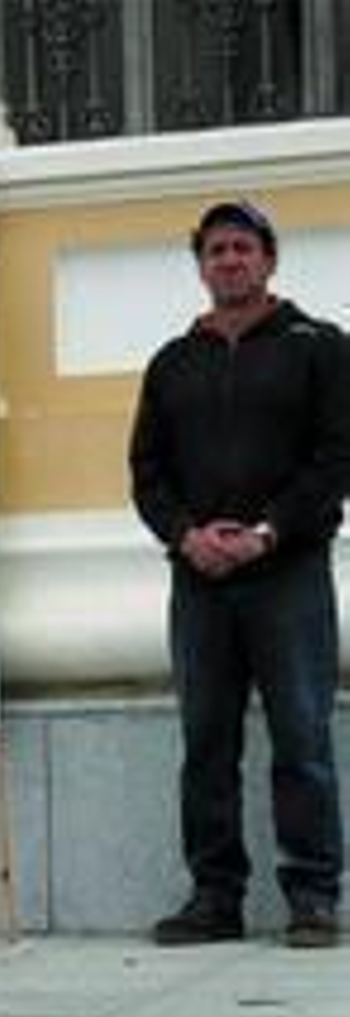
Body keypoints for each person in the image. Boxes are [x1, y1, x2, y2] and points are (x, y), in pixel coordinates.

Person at [130, 200, 350, 949]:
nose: (230, 260)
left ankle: (314, 896)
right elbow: (146, 473)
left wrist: (266, 533)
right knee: (206, 743)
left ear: (269, 260)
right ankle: (214, 897)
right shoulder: (171, 363)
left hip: (286, 575)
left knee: (302, 737)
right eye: (217, 250)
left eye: (243, 247)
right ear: (200, 265)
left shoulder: (317, 347)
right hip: (199, 583)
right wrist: (187, 535)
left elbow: (335, 460)